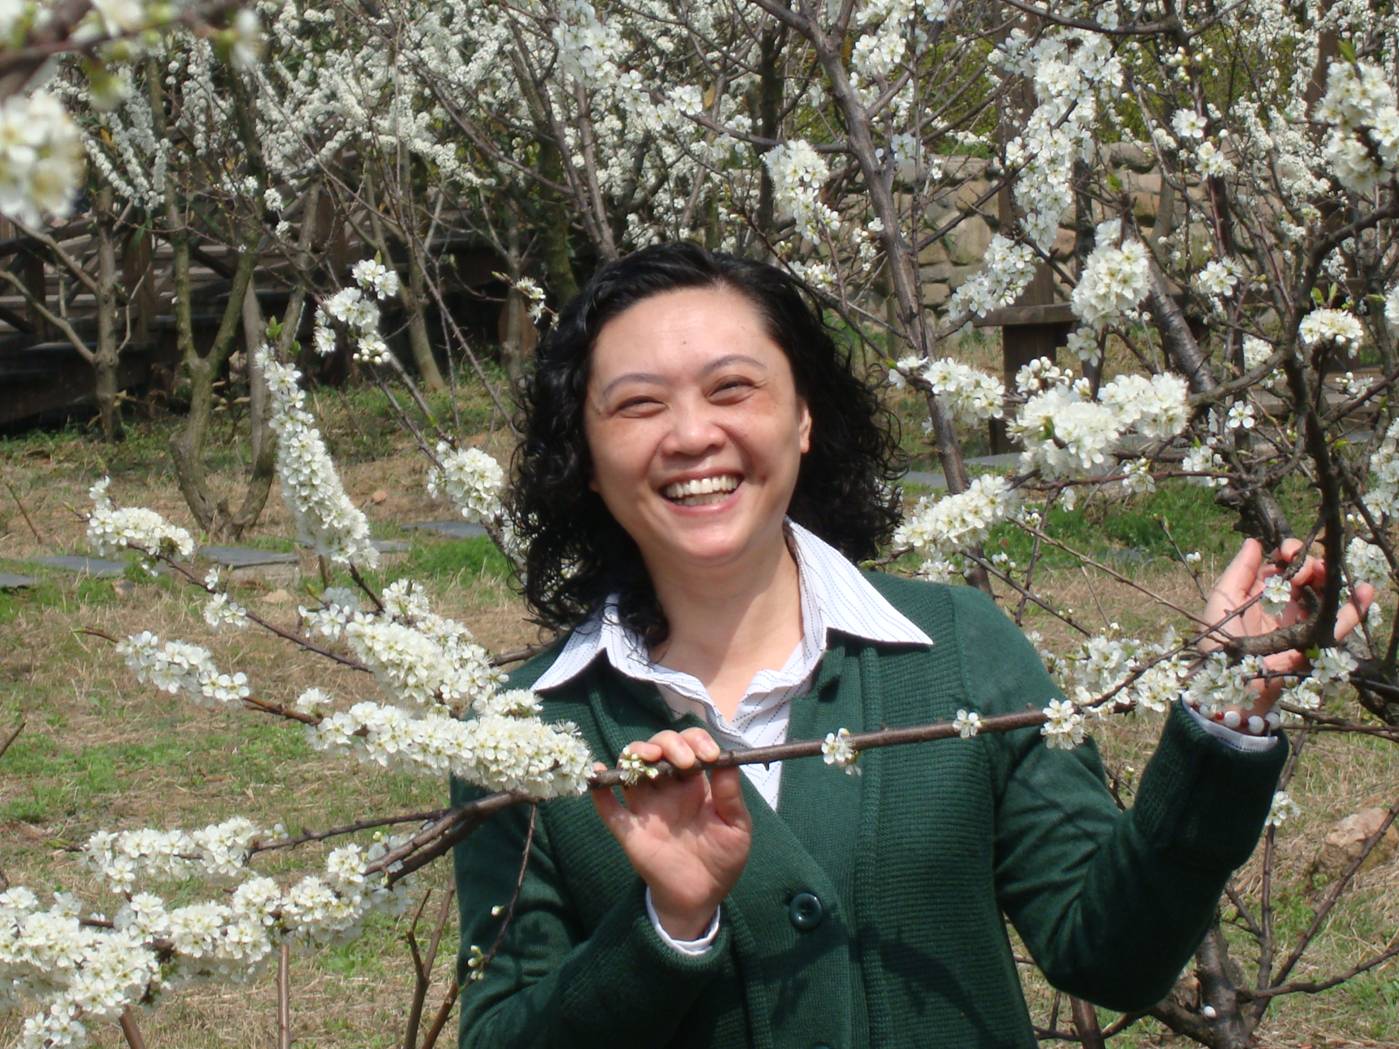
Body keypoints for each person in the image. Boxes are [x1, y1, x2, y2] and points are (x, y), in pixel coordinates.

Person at [452, 243, 1373, 1048]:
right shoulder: (524, 736)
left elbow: (1110, 954)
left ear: (803, 417)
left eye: (733, 388)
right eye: (637, 405)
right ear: (585, 450)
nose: (693, 435)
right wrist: (669, 920)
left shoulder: (957, 649)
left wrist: (1220, 706)